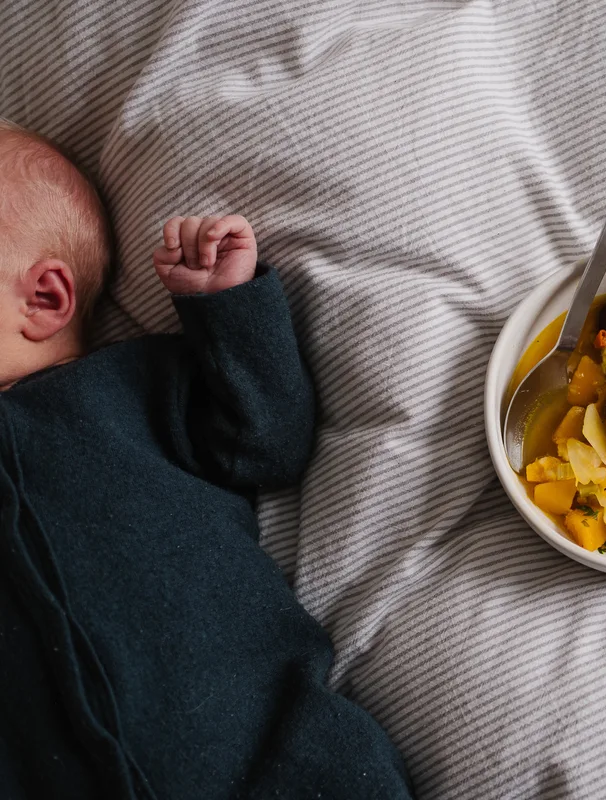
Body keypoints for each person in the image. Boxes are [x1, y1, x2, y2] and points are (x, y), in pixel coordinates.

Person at [0, 121, 412, 799]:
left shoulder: (132, 389)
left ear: (45, 298)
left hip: (278, 761)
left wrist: (226, 308)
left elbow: (268, 442)